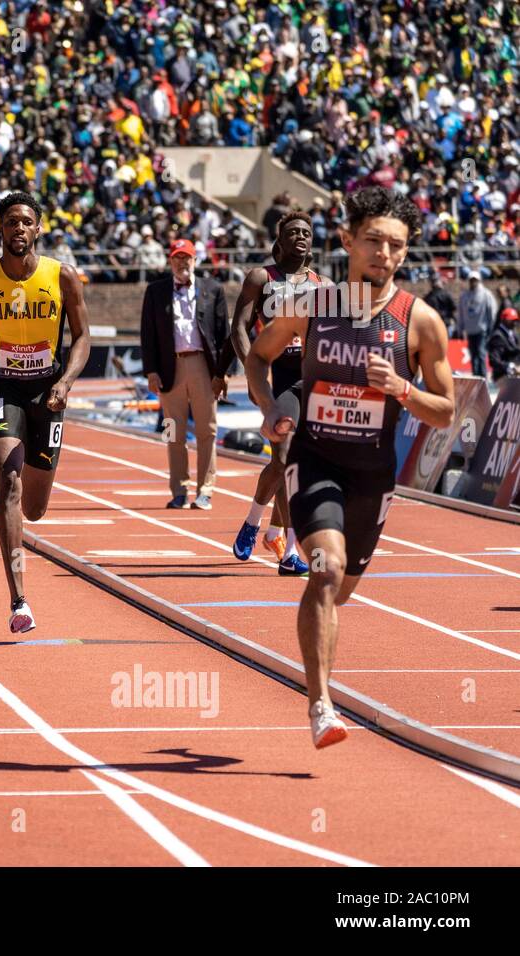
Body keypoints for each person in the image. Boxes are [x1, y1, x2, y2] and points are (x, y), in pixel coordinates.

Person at [247, 186, 455, 748]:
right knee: (325, 571)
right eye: (373, 241)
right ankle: (321, 705)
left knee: (340, 590)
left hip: (373, 474)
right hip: (315, 459)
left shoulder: (420, 321)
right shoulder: (313, 306)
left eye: (395, 245)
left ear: (406, 252)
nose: (383, 254)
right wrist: (269, 411)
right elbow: (259, 356)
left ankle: (315, 632)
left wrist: (404, 389)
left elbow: (447, 410)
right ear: (347, 241)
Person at [0, 191, 92, 633]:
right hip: (4, 388)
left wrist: (65, 382)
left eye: (26, 222)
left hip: (47, 392)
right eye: (11, 222)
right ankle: (19, 601)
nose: (19, 229)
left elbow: (83, 337)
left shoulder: (62, 276)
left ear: (38, 228)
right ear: (1, 229)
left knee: (35, 508)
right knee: (9, 478)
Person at [224, 215, 327, 575]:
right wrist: (254, 374)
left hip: (313, 381)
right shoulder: (261, 278)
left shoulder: (323, 284)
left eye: (307, 233)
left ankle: (285, 547)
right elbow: (238, 328)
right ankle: (256, 522)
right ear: (279, 240)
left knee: (299, 466)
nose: (301, 237)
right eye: (293, 232)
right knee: (283, 458)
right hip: (279, 376)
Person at [140, 238, 230, 510]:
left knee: (207, 431)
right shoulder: (155, 291)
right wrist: (151, 371)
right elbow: (148, 334)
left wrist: (223, 373)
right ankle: (179, 490)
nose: (182, 262)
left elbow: (224, 334)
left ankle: (205, 491)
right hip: (170, 367)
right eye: (178, 257)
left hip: (204, 366)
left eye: (187, 257)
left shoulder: (213, 289)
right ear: (170, 261)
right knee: (173, 432)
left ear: (195, 260)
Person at [458, 270, 496, 378]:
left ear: (479, 281)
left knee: (481, 354)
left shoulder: (486, 294)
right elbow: (461, 313)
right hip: (470, 331)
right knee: (473, 355)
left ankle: (483, 378)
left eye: (475, 280)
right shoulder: (464, 296)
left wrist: (491, 328)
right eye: (471, 280)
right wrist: (460, 329)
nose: (473, 282)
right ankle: (476, 378)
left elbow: (491, 312)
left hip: (482, 330)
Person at [487, 307, 520, 381]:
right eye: (512, 320)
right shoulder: (498, 337)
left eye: (516, 320)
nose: (515, 323)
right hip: (503, 378)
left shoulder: (513, 334)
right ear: (504, 320)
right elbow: (494, 360)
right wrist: (511, 366)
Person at [423, 271, 457, 339]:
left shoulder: (444, 295)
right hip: (435, 325)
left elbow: (453, 308)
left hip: (444, 324)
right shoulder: (428, 297)